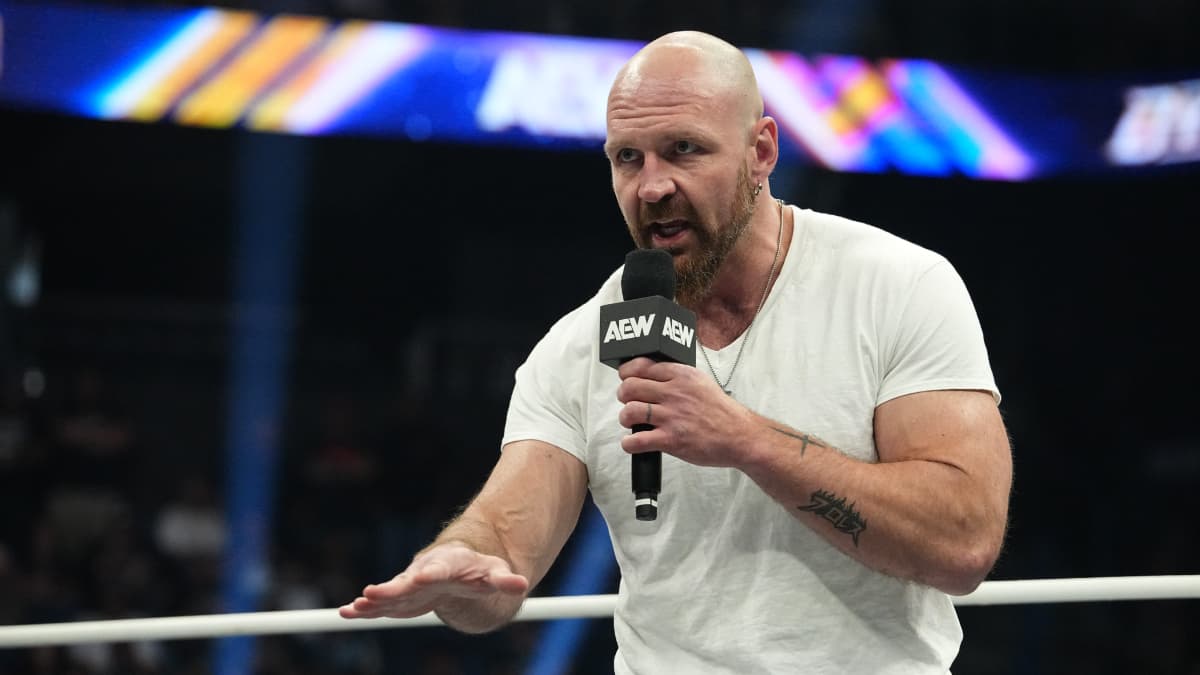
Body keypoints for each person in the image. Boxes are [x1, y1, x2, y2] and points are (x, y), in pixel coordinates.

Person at [341, 30, 1012, 673]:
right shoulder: (577, 347)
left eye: (683, 149)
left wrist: (746, 438)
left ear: (762, 151)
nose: (651, 185)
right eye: (627, 158)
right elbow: (507, 535)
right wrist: (459, 563)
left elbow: (964, 541)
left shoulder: (897, 286)